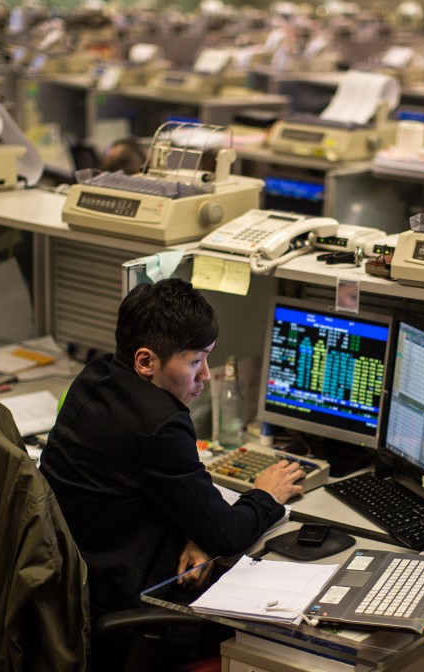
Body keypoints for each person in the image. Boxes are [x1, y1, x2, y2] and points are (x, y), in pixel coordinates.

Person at [40, 277, 304, 669]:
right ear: (146, 361)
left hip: (83, 580)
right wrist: (266, 494)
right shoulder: (158, 424)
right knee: (280, 630)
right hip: (127, 606)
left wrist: (195, 529)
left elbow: (155, 485)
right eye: (196, 360)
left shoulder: (95, 377)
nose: (206, 375)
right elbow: (228, 533)